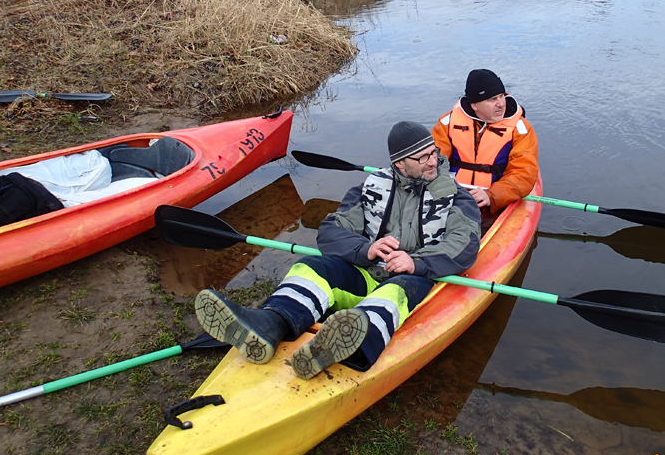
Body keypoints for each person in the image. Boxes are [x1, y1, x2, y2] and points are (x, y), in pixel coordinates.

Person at [194, 121, 481, 379]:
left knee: (395, 291)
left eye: (433, 153)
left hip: (417, 278)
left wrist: (414, 262)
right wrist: (366, 249)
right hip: (367, 272)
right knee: (312, 267)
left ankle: (352, 344)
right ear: (400, 164)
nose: (433, 161)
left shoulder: (457, 197)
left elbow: (465, 244)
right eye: (423, 157)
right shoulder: (371, 188)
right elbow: (331, 231)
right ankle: (271, 323)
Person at [432, 69, 539, 216]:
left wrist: (492, 195)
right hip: (454, 195)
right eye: (492, 99)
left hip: (495, 200)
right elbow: (431, 161)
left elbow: (523, 173)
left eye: (501, 96)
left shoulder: (520, 129)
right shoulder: (447, 123)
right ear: (475, 105)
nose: (501, 104)